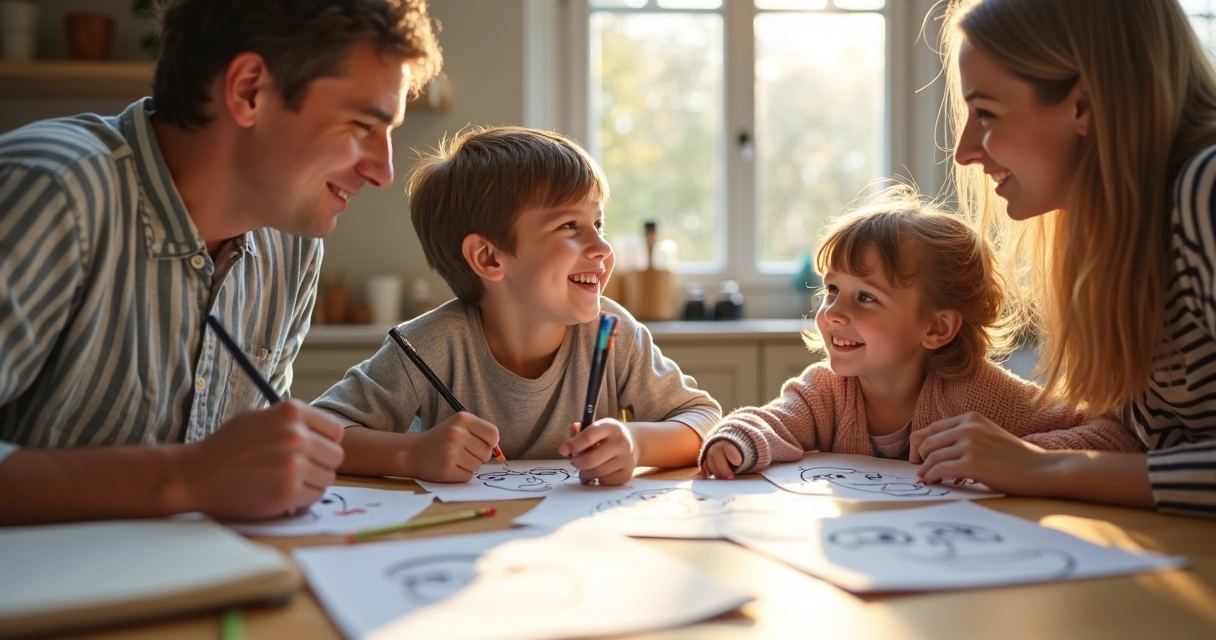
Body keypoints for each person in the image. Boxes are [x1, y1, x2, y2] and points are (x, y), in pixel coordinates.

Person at [0, 0, 442, 524]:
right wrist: (184, 477)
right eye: (361, 124)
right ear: (248, 90)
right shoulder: (51, 191)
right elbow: (201, 477)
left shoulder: (291, 246)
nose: (383, 171)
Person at [912, 0, 1216, 518]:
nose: (963, 152)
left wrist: (1047, 467)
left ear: (1084, 104)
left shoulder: (1204, 190)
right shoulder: (1118, 238)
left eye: (985, 113)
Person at [313, 126, 721, 486]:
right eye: (569, 226)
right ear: (489, 258)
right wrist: (414, 454)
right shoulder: (426, 345)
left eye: (598, 224)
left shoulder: (613, 331)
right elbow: (319, 434)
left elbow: (703, 419)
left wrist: (637, 443)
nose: (602, 248)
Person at [699, 189, 1139, 479]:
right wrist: (734, 440)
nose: (833, 312)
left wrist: (1014, 456)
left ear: (936, 327)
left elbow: (1110, 436)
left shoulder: (977, 393)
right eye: (833, 290)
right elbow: (770, 420)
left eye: (866, 298)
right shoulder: (824, 391)